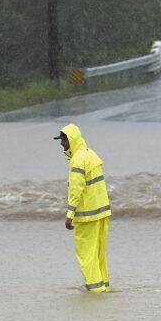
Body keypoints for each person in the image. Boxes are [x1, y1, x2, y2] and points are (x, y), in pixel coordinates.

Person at [55, 123, 112, 293]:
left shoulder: (77, 160)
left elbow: (76, 190)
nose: (61, 144)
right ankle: (103, 286)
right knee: (98, 254)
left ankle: (95, 290)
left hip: (87, 216)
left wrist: (69, 215)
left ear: (71, 140)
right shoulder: (90, 154)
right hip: (102, 212)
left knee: (86, 255)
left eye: (63, 140)